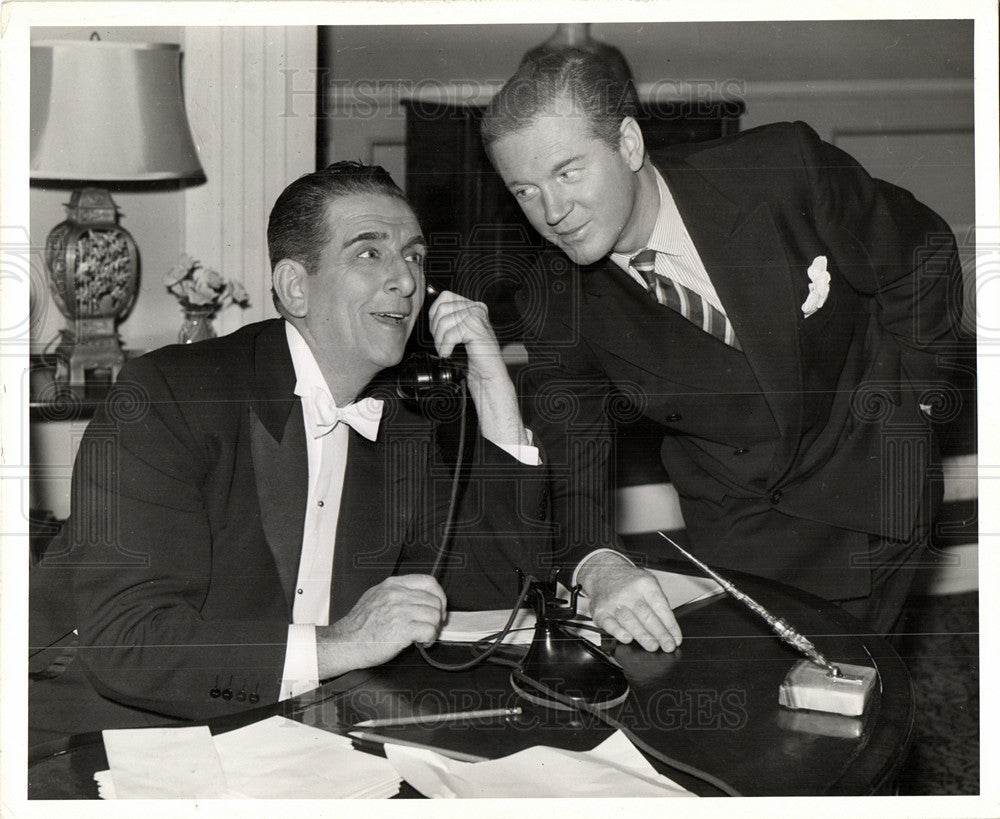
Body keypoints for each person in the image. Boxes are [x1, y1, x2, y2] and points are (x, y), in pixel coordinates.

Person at [30, 161, 551, 739]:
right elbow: (132, 644)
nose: (406, 280)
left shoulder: (400, 424)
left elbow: (493, 590)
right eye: (369, 253)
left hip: (291, 735)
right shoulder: (170, 395)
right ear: (295, 287)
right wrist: (339, 644)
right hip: (109, 737)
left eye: (413, 256)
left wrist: (493, 390)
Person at [480, 49, 963, 637]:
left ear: (628, 145)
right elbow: (572, 453)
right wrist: (598, 561)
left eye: (567, 173)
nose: (553, 212)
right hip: (744, 526)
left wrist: (918, 402)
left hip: (873, 477)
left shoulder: (780, 169)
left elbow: (920, 256)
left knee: (864, 679)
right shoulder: (553, 301)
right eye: (525, 191)